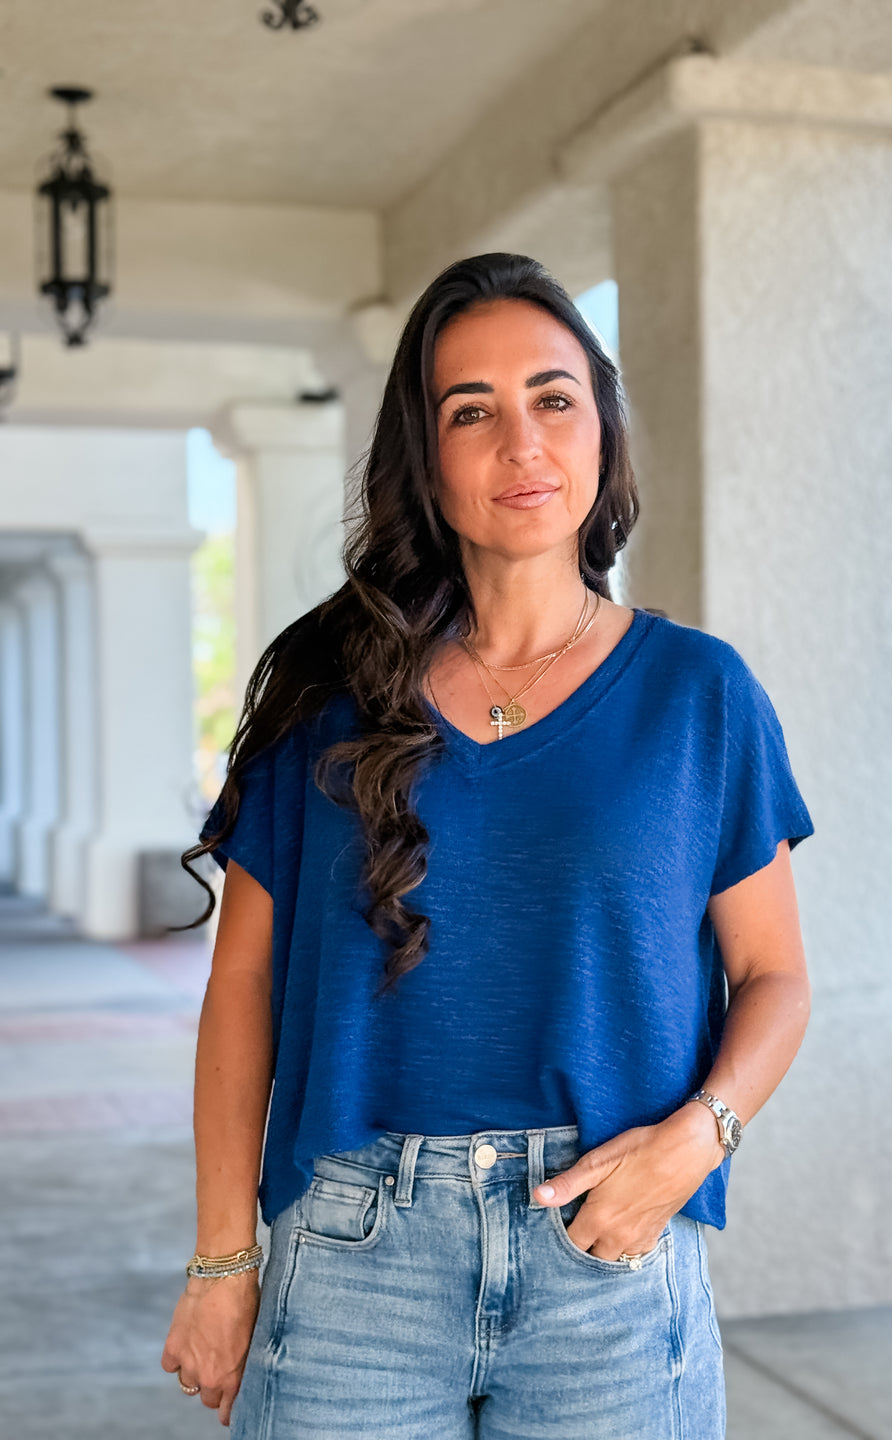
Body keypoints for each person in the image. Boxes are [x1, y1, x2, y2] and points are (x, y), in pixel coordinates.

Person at [160, 251, 815, 1438]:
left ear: (601, 429)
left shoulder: (697, 695)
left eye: (553, 399)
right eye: (474, 411)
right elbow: (242, 985)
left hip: (608, 1252)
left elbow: (775, 977)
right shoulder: (328, 695)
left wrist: (695, 1141)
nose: (523, 442)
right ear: (428, 458)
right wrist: (219, 1259)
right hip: (355, 1252)